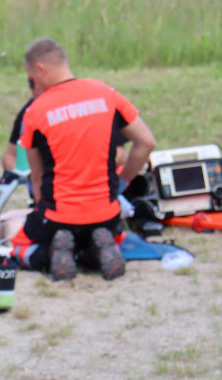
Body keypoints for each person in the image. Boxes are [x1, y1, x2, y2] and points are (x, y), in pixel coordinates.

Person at [10, 38, 157, 280]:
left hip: (57, 215)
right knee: (109, 235)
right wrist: (121, 183)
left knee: (16, 249)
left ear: (40, 69)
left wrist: (41, 208)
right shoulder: (107, 94)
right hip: (105, 212)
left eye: (31, 79)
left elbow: (37, 177)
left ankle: (52, 254)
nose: (33, 85)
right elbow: (146, 143)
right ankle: (93, 253)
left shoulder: (35, 111)